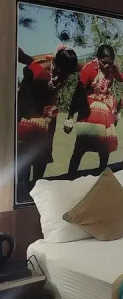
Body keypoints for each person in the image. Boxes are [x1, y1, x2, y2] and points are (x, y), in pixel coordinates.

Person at [16, 46, 78, 193]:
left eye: (68, 73)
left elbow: (83, 67)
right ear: (56, 64)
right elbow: (24, 91)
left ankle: (37, 186)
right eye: (63, 71)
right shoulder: (37, 71)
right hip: (29, 114)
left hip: (48, 115)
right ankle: (23, 187)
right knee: (26, 152)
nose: (65, 75)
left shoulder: (66, 67)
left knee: (43, 153)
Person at [64, 44, 123, 176]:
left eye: (110, 63)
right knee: (80, 146)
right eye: (104, 62)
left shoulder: (112, 69)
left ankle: (102, 174)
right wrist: (69, 118)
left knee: (105, 147)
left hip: (105, 111)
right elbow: (78, 93)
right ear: (98, 58)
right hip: (89, 111)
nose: (107, 65)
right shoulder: (89, 69)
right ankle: (70, 176)